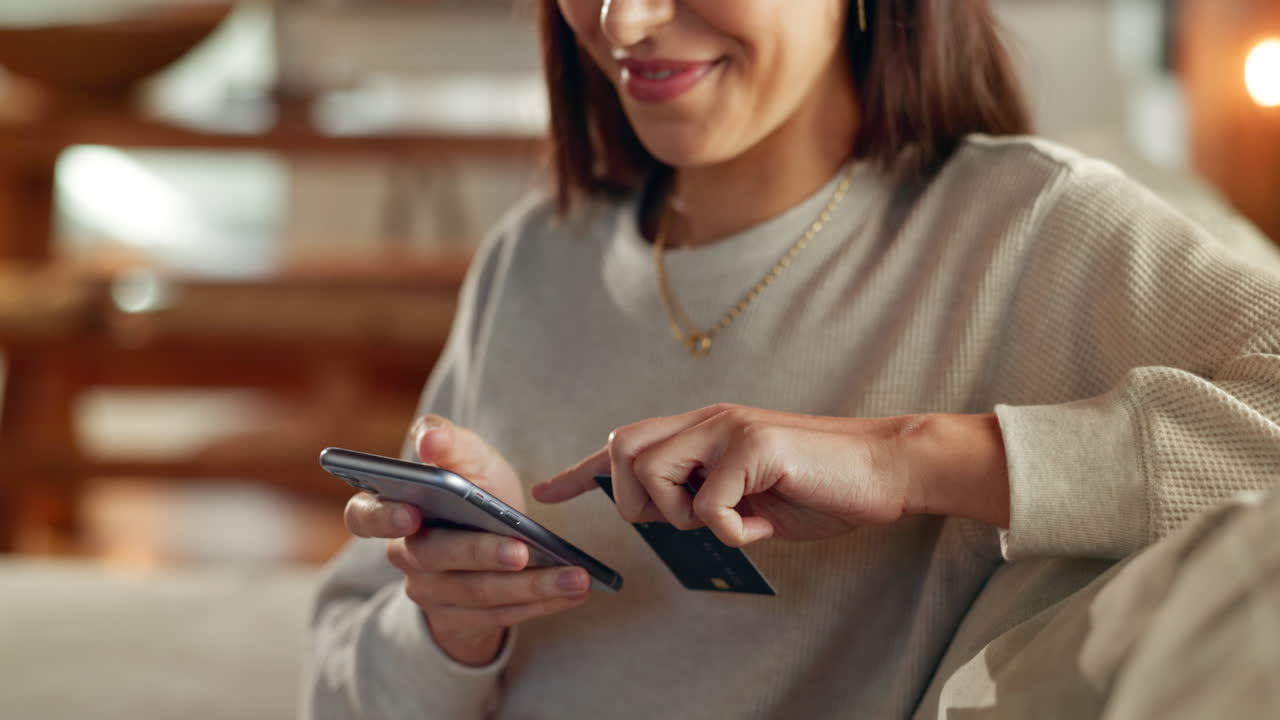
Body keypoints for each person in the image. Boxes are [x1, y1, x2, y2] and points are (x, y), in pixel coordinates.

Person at [301, 1, 1280, 718]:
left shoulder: (1033, 232)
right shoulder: (533, 256)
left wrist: (905, 459)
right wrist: (448, 631)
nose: (624, 21)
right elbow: (337, 696)